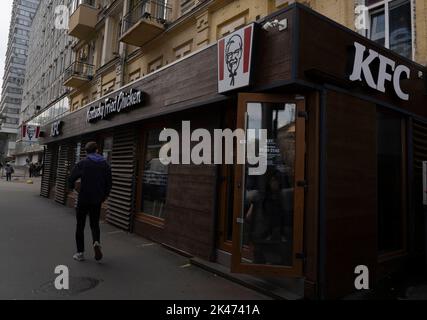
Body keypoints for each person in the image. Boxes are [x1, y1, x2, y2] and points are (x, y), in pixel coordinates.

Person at [68, 142, 112, 262]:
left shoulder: (83, 163)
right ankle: (96, 242)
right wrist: (104, 196)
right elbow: (109, 183)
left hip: (83, 198)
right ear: (97, 150)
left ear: (86, 152)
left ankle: (80, 253)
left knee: (80, 225)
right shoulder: (105, 164)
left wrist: (73, 189)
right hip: (96, 199)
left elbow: (71, 178)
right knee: (94, 224)